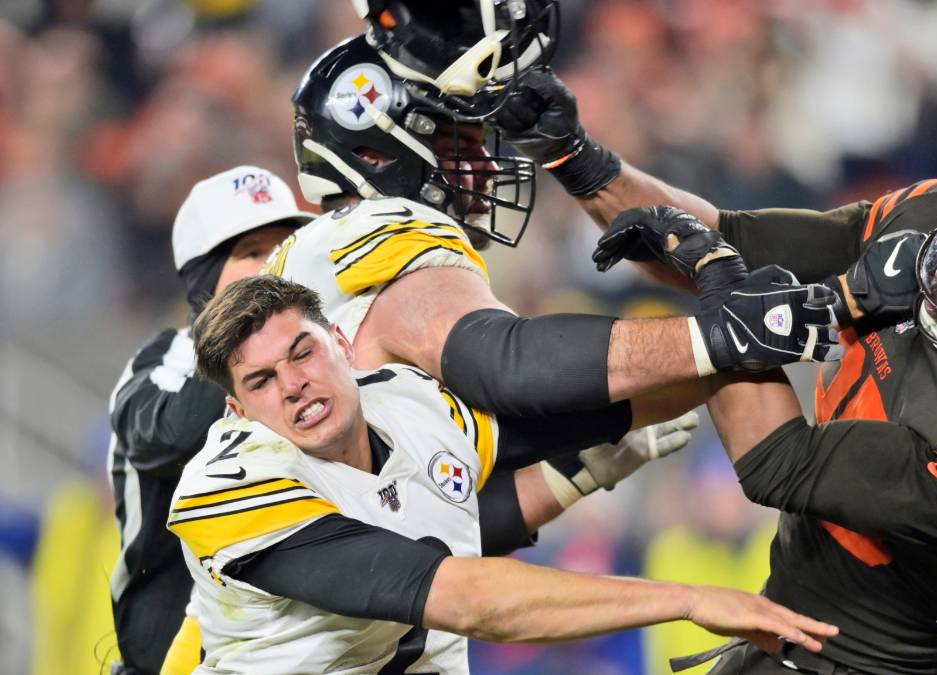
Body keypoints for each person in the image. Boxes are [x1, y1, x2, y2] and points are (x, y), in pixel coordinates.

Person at [594, 172, 937, 674]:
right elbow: (738, 235)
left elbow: (776, 461)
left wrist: (727, 284)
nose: (935, 273)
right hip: (779, 625)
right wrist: (580, 161)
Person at [271, 34, 861, 510]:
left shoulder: (321, 262)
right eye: (460, 145)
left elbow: (439, 498)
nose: (485, 166)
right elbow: (504, 363)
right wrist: (719, 338)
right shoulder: (378, 228)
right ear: (374, 155)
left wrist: (693, 372)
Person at [170, 275, 838, 674]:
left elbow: (592, 411)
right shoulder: (231, 489)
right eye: (262, 380)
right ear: (239, 411)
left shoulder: (407, 404)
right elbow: (464, 598)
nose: (293, 384)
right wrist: (689, 599)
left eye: (303, 352)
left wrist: (742, 344)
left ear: (342, 344)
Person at [107, 166, 313, 675]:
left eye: (285, 246)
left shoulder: (321, 362)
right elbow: (170, 435)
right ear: (204, 277)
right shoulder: (163, 361)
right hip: (170, 660)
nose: (276, 266)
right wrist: (240, 346)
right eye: (252, 253)